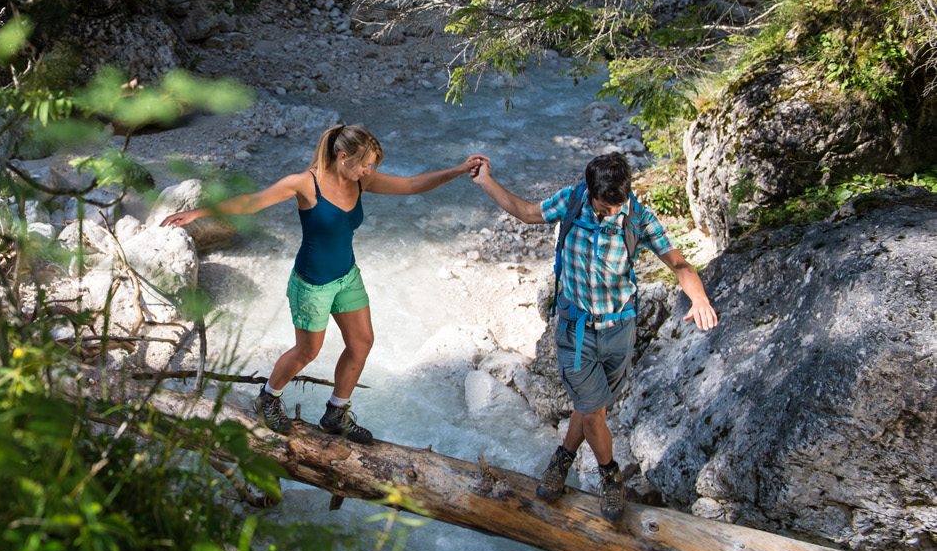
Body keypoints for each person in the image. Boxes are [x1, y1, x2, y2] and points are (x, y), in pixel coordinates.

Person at [161, 124, 487, 444]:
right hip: (312, 284)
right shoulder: (305, 183)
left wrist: (459, 169)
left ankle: (336, 413)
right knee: (308, 351)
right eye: (364, 164)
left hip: (347, 277)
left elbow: (413, 184)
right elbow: (252, 202)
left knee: (361, 343)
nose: (368, 170)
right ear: (342, 156)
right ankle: (268, 398)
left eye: (372, 166)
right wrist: (197, 213)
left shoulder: (361, 181)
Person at [469, 151, 718, 521]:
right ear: (590, 191)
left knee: (591, 408)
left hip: (620, 329)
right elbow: (525, 212)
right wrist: (486, 180)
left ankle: (562, 459)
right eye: (603, 208)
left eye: (615, 207)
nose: (609, 215)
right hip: (575, 329)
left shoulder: (638, 217)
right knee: (594, 412)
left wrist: (698, 296)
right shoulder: (571, 202)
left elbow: (679, 264)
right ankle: (610, 477)